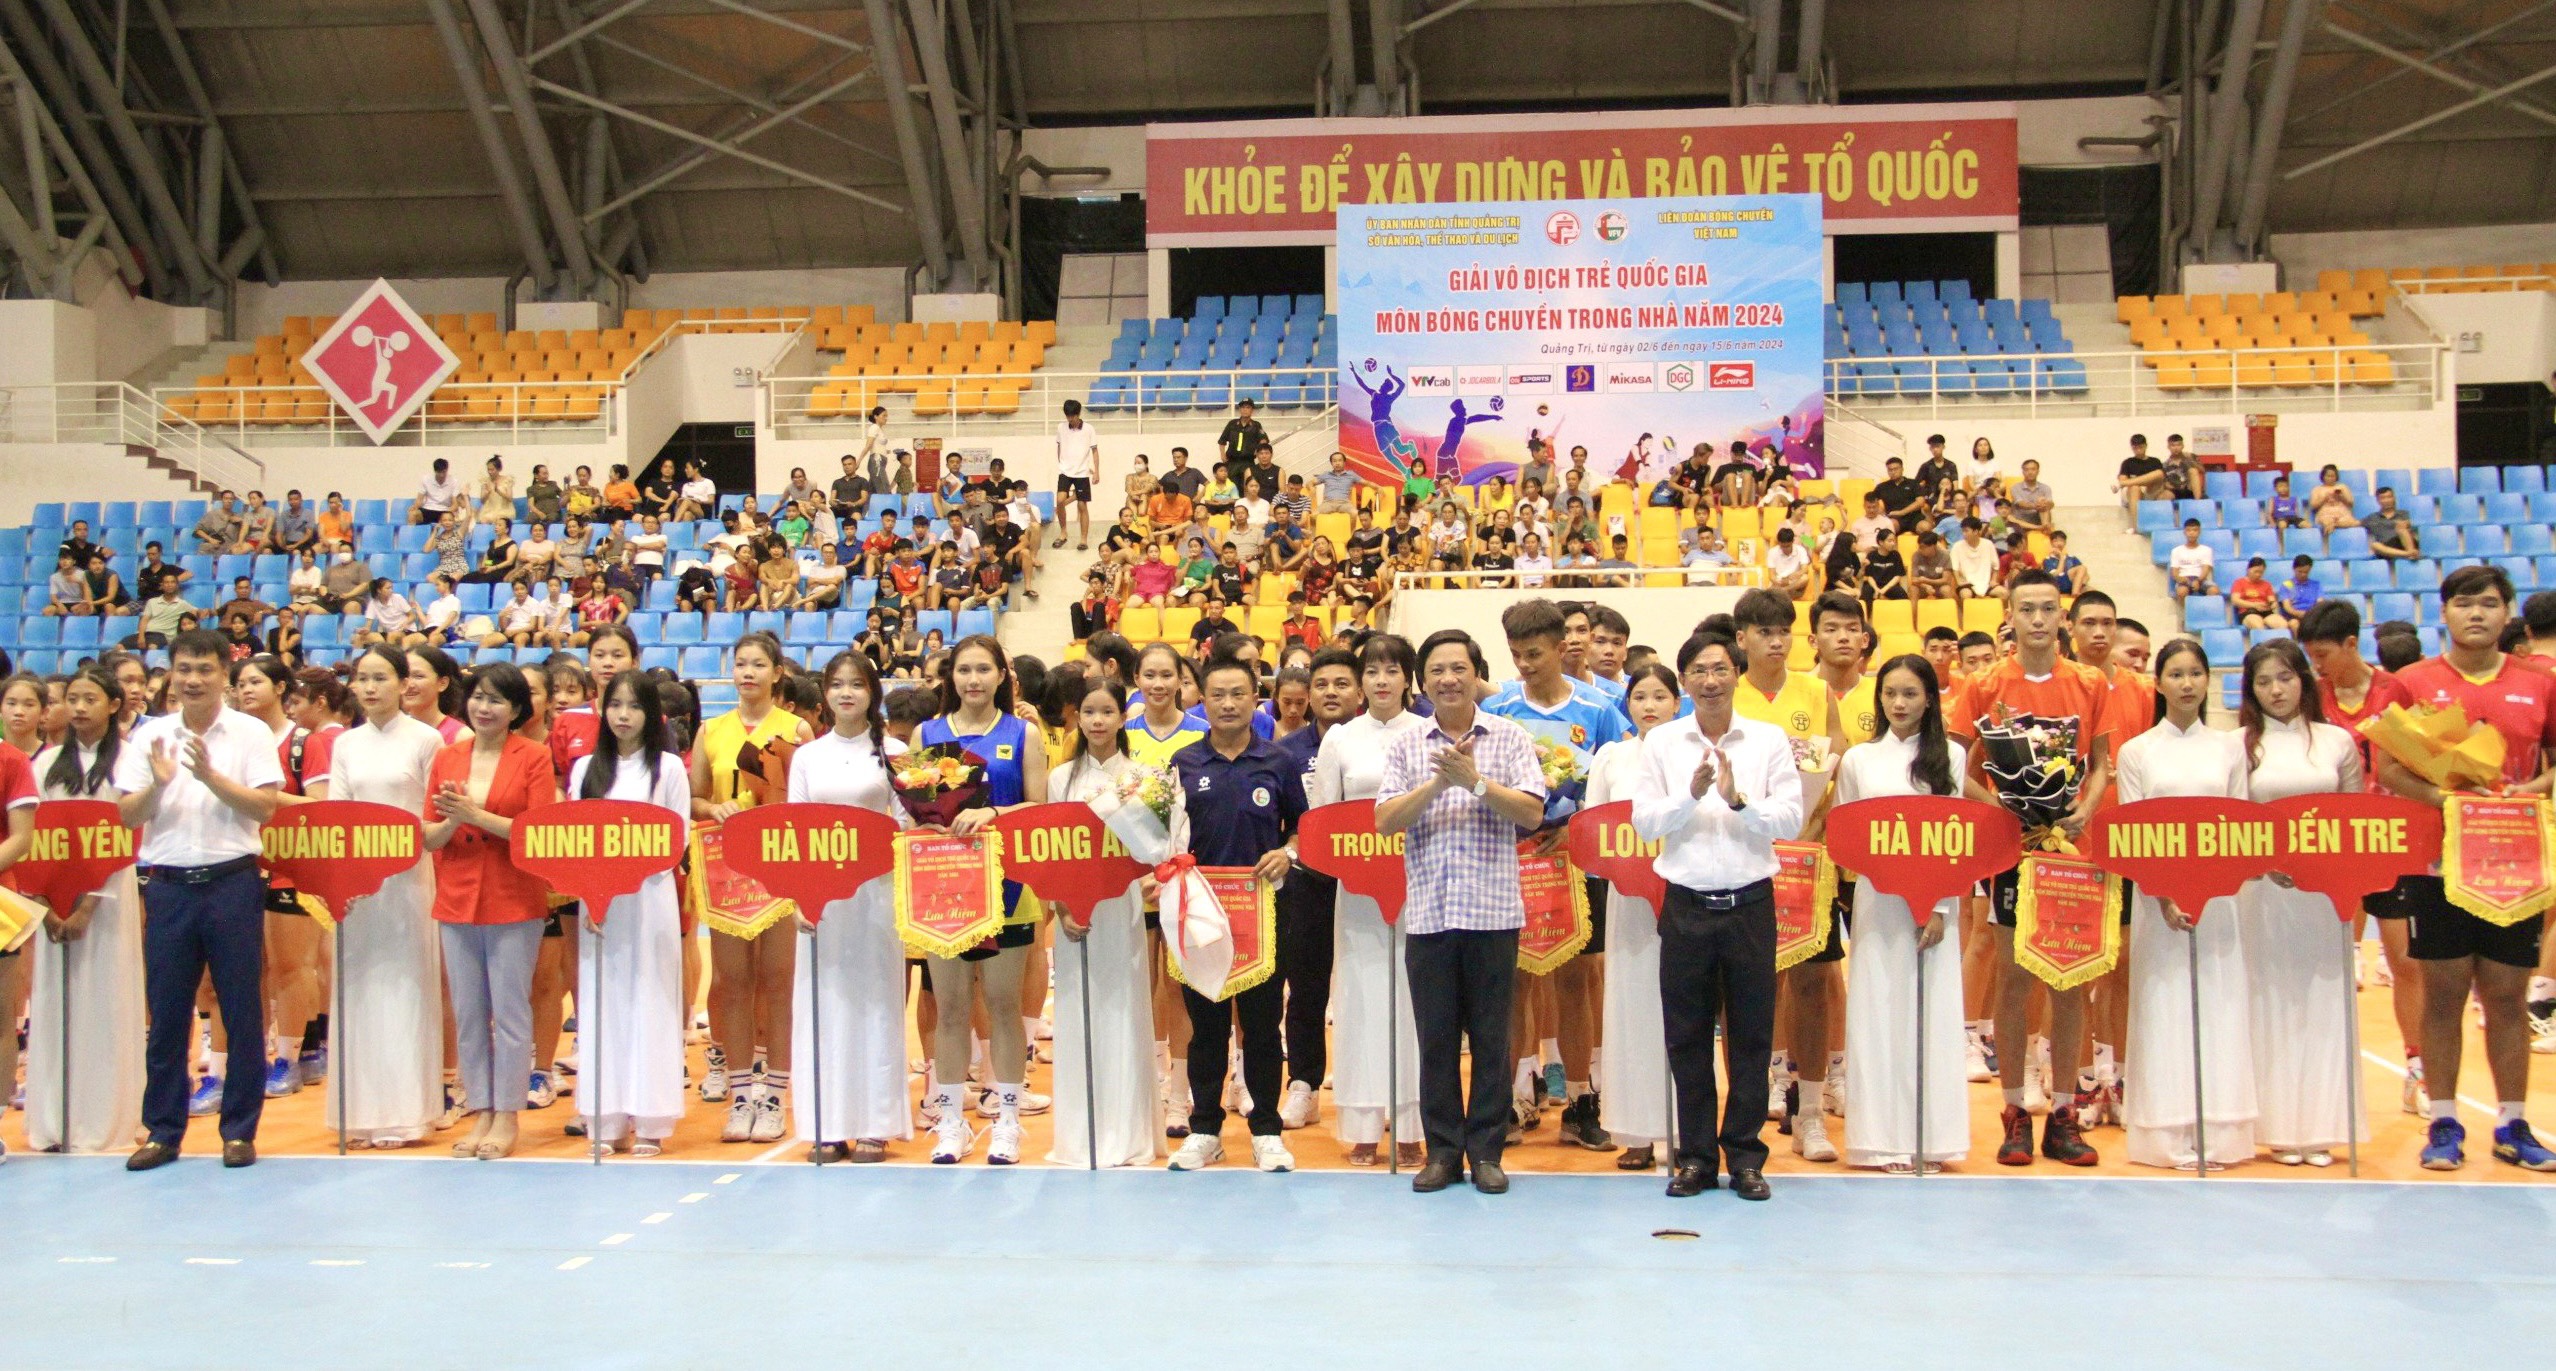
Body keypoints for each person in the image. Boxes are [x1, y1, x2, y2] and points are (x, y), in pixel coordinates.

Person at [2374, 566, 2556, 1171]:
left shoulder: (2542, 684)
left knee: (2507, 995)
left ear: (2509, 615)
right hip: (2436, 862)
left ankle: (2512, 1122)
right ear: (2443, 613)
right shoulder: (2411, 683)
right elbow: (2389, 770)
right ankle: (2445, 1120)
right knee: (2445, 991)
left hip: (2513, 858)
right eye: (2462, 603)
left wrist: (2527, 790)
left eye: (2488, 603)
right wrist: (2449, 803)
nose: (2475, 613)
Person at [1630, 628, 1803, 1201]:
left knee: (1752, 1036)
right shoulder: (1660, 744)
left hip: (1750, 904)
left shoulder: (1769, 739)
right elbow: (1646, 823)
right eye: (1698, 671)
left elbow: (1790, 821)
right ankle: (1697, 1157)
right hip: (1685, 906)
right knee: (1686, 1036)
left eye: (1720, 669)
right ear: (1684, 681)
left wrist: (1736, 801)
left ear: (1737, 674)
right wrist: (1691, 793)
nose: (1710, 681)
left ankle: (1747, 1157)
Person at [1373, 630, 1548, 1194]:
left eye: (1459, 668)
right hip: (1428, 915)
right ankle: (1444, 1153)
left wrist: (1474, 782)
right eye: (1437, 670)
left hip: (1493, 914)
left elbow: (1530, 814)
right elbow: (1385, 821)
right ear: (1422, 682)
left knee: (1494, 1040)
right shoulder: (1405, 745)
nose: (1448, 678)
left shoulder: (1511, 738)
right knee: (1437, 1041)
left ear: (1477, 674)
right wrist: (1436, 784)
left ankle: (1488, 1152)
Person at [1948, 569, 2109, 1167]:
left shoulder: (2090, 683)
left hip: (2072, 851)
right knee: (2015, 978)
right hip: (2012, 854)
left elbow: (2100, 764)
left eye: (2048, 608)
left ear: (2061, 615)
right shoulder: (1985, 683)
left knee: (2069, 982)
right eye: (2027, 610)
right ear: (2009, 617)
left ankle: (2064, 1112)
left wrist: (2082, 812)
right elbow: (1958, 770)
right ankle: (2015, 1110)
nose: (2038, 619)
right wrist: (2003, 808)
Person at [116, 630, 286, 1171]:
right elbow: (127, 816)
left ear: (224, 676)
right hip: (166, 886)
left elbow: (264, 808)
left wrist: (210, 777)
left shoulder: (250, 733)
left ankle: (239, 1131)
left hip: (233, 882)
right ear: (171, 671)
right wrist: (159, 785)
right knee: (166, 1015)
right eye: (184, 668)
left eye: (205, 669)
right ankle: (163, 1132)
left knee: (241, 1010)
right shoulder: (149, 737)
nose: (193, 679)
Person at [1481, 600, 1627, 1150]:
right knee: (1514, 982)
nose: (1523, 664)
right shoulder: (1497, 709)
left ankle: (1584, 1101)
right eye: (1516, 654)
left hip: (1576, 860)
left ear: (1562, 649)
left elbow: (1618, 785)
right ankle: (1517, 1097)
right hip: (1513, 859)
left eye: (1534, 654)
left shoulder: (1600, 709)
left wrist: (1579, 828)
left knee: (1578, 980)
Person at [1157, 653, 1305, 1174]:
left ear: (1254, 699)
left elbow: (1302, 828)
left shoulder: (1279, 762)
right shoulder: (1184, 763)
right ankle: (1205, 1130)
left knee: (1263, 1027)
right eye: (1217, 694)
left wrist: (1286, 852)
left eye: (1238, 693)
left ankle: (1266, 1128)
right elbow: (1165, 837)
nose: (1226, 703)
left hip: (1263, 915)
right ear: (1202, 698)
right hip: (1200, 915)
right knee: (1208, 1026)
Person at [2116, 638, 2258, 1169]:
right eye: (2175, 674)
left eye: (2195, 673)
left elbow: (2240, 826)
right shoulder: (2137, 752)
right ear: (2158, 684)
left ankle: (2219, 1131)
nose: (2187, 683)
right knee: (2164, 1005)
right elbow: (2133, 835)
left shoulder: (2229, 749)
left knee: (2219, 1003)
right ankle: (2166, 1132)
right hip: (2159, 904)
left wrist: (2211, 886)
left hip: (2220, 901)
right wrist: (2167, 896)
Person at [1728, 589, 1852, 1160]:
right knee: (1751, 988)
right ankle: (1753, 1101)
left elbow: (1838, 766)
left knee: (1811, 982)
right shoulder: (1727, 693)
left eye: (1784, 631)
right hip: (1746, 858)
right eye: (1764, 631)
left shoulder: (1816, 690)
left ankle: (1810, 1112)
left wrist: (1816, 824)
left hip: (1806, 857)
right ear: (1742, 638)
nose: (1776, 640)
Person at [1835, 654, 1970, 1171]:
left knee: (1928, 1013)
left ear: (1930, 699)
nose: (1899, 703)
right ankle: (1879, 1139)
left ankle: (1930, 1139)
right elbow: (1847, 838)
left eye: (1910, 693)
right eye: (1890, 693)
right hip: (1876, 905)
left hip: (1935, 908)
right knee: (1877, 1011)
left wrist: (1937, 905)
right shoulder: (1858, 762)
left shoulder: (1950, 759)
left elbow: (1957, 839)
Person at [918, 636, 1050, 1164]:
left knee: (1002, 1007)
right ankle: (950, 1120)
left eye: (983, 670)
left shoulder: (1024, 734)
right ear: (951, 678)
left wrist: (995, 814)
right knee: (949, 1008)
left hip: (1009, 888)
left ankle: (1008, 1118)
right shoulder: (928, 734)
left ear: (1002, 676)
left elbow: (1039, 807)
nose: (973, 680)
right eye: (964, 670)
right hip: (945, 887)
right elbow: (919, 809)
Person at [2235, 640, 2366, 1166]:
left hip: (2323, 897)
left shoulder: (2337, 743)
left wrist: (2332, 874)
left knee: (2324, 1003)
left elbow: (2357, 821)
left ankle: (2323, 1126)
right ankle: (2279, 1127)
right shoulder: (2240, 746)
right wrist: (2264, 865)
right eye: (2264, 682)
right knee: (2270, 1002)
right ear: (2251, 690)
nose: (2276, 690)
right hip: (2263, 895)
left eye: (2285, 678)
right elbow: (2233, 824)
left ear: (2304, 681)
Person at [787, 650, 917, 1164]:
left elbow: (910, 823)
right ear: (824, 693)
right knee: (824, 1002)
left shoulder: (894, 750)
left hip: (876, 894)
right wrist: (799, 895)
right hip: (822, 901)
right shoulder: (807, 756)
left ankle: (876, 1122)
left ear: (872, 692)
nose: (846, 693)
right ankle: (826, 1121)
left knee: (876, 1000)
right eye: (837, 684)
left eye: (856, 684)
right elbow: (792, 835)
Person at [422, 662, 554, 1160]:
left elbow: (536, 834)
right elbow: (429, 833)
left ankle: (508, 1114)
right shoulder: (447, 756)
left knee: (510, 1009)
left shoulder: (534, 757)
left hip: (512, 896)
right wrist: (453, 822)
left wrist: (476, 816)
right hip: (456, 895)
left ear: (517, 709)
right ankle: (480, 1108)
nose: (484, 707)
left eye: (497, 699)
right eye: (477, 696)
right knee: (469, 1011)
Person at [691, 632, 816, 1144]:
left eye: (758, 664)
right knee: (732, 983)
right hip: (727, 871)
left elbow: (808, 801)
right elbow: (694, 797)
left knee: (779, 982)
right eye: (740, 663)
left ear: (776, 673)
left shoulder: (798, 729)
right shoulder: (710, 730)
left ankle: (776, 1095)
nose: (747, 672)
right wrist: (712, 808)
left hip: (782, 868)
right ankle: (740, 1093)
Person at [324, 646, 447, 1149]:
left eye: (381, 678)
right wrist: (341, 879)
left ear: (404, 684)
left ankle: (409, 1112)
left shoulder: (428, 739)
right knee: (359, 988)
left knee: (407, 989)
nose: (371, 688)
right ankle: (359, 1110)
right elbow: (336, 814)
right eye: (363, 679)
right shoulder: (345, 744)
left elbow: (434, 816)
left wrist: (397, 841)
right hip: (357, 889)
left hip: (409, 881)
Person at [1044, 677, 1166, 1167]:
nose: (1097, 720)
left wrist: (1152, 876)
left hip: (1124, 908)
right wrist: (1061, 908)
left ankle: (1128, 1133)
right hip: (1075, 915)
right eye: (1089, 712)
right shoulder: (1060, 780)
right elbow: (1049, 853)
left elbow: (1156, 849)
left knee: (1125, 1009)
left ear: (1122, 718)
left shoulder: (1144, 777)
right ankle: (1081, 1136)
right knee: (1078, 1013)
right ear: (1077, 718)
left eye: (1107, 712)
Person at [24, 667, 144, 1154]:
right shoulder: (47, 763)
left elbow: (123, 841)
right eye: (71, 698)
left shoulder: (131, 763)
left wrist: (88, 908)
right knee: (55, 1004)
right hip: (52, 903)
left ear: (113, 704)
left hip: (108, 901)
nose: (77, 707)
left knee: (107, 1002)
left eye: (89, 698)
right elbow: (31, 838)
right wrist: (44, 905)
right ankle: (55, 1120)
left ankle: (108, 1120)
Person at [569, 672, 690, 1155]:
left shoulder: (669, 769)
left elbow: (676, 839)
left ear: (650, 714)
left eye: (633, 706)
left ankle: (652, 1120)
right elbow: (572, 842)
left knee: (650, 1001)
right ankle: (605, 1114)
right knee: (602, 1003)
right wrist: (590, 891)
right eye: (614, 705)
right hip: (598, 907)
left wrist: (627, 872)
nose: (622, 715)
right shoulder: (584, 770)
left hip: (650, 899)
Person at [1590, 663, 1684, 1170]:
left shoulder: (1695, 755)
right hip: (1627, 902)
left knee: (1681, 1008)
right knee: (1629, 1007)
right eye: (1640, 696)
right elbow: (1591, 831)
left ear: (1677, 702)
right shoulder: (1611, 757)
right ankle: (1636, 1132)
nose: (1650, 705)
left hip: (1682, 895)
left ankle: (1680, 1128)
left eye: (1660, 696)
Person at [1270, 650, 1357, 1131]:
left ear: (1360, 692)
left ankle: (1374, 1081)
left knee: (1370, 981)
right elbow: (1281, 824)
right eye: (1322, 684)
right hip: (1309, 883)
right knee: (1305, 987)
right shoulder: (1285, 752)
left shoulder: (1381, 743)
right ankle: (1302, 1084)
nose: (1330, 693)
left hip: (1370, 881)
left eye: (1342, 684)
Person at [1055, 397, 1097, 550]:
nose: (1070, 419)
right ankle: (1063, 532)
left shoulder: (1089, 429)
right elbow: (1059, 447)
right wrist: (1061, 463)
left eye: (1072, 415)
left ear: (1078, 414)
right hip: (1065, 471)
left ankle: (1083, 539)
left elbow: (1095, 450)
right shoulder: (1061, 427)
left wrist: (1096, 471)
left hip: (1082, 472)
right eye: (1067, 416)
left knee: (1082, 505)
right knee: (1060, 501)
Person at [2364, 486, 2419, 561]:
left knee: (2401, 527)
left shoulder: (2404, 514)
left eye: (2389, 497)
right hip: (2387, 548)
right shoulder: (2372, 518)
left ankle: (2410, 551)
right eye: (2383, 498)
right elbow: (2353, 523)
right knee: (2375, 545)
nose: (2387, 500)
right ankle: (2409, 554)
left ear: (2394, 498)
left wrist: (2407, 523)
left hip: (2404, 543)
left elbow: (2420, 522)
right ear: (2378, 500)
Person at [2168, 519, 2218, 602]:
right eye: (2188, 530)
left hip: (2201, 579)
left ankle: (2206, 613)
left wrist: (2198, 581)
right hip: (2184, 579)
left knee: (2214, 591)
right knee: (2181, 592)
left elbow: (2206, 570)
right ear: (2184, 532)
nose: (2191, 533)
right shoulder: (2176, 551)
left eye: (2195, 530)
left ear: (2199, 531)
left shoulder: (2206, 550)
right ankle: (2187, 614)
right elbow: (2175, 573)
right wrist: (2186, 581)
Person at [2230, 557, 2285, 629]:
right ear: (2248, 570)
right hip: (2248, 612)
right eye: (2256, 571)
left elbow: (2272, 601)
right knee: (2258, 624)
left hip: (2265, 612)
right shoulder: (2239, 582)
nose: (2258, 574)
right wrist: (2254, 605)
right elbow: (2235, 601)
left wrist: (2271, 605)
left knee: (2282, 624)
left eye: (2261, 572)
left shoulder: (2267, 584)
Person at [2113, 433, 2167, 503]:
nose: (2138, 450)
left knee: (2159, 473)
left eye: (2141, 447)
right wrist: (2142, 483)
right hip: (2132, 491)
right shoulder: (2127, 462)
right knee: (2135, 489)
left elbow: (2159, 480)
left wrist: (2134, 481)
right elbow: (2123, 480)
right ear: (2132, 447)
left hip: (2150, 490)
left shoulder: (2155, 461)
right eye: (2135, 448)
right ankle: (2134, 514)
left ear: (2146, 446)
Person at [2006, 459, 2053, 532]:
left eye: (2033, 469)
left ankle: (2045, 528)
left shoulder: (2045, 488)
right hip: (2021, 521)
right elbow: (2021, 504)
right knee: (2009, 517)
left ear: (2038, 471)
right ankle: (2041, 528)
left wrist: (2046, 504)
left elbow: (2051, 503)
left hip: (2038, 519)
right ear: (2023, 472)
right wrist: (2035, 506)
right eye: (2027, 470)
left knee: (2042, 501)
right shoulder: (2015, 487)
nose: (2030, 472)